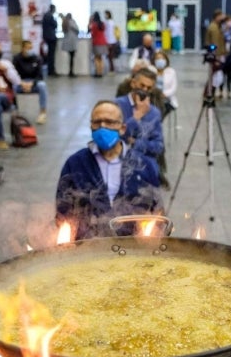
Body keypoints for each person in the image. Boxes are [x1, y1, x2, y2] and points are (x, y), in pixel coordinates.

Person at [55, 100, 160, 240]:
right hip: (88, 248)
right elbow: (63, 211)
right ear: (91, 126)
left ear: (122, 128)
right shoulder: (75, 164)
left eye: (109, 122)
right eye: (97, 122)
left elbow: (157, 212)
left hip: (133, 248)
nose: (102, 127)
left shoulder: (144, 165)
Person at [114, 68, 165, 162]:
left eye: (149, 88)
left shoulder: (154, 113)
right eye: (142, 85)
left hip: (144, 163)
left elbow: (158, 146)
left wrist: (135, 143)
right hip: (119, 161)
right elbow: (114, 137)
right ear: (133, 83)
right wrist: (136, 117)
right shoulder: (117, 105)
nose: (144, 90)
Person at [13, 40, 48, 125]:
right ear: (23, 48)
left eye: (31, 48)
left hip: (33, 82)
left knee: (42, 86)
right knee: (12, 87)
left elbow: (40, 76)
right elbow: (14, 74)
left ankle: (42, 112)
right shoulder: (16, 58)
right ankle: (14, 112)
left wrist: (32, 83)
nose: (30, 50)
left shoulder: (37, 58)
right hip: (21, 82)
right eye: (28, 48)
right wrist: (22, 83)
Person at [153, 51, 177, 117]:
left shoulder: (171, 72)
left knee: (160, 110)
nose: (160, 61)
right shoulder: (151, 70)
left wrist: (164, 94)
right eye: (157, 59)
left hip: (166, 100)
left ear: (166, 60)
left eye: (162, 59)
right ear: (154, 61)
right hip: (153, 99)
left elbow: (173, 88)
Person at [88, 12, 107, 77]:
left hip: (96, 42)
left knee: (96, 58)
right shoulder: (102, 24)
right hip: (103, 42)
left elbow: (92, 33)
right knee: (101, 58)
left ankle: (97, 73)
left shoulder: (94, 24)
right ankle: (101, 72)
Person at [61, 13, 79, 77]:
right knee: (72, 58)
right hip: (72, 42)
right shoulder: (72, 22)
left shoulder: (64, 23)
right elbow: (77, 30)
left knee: (70, 57)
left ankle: (70, 71)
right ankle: (71, 72)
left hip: (67, 42)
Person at [43, 5, 58, 77]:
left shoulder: (45, 15)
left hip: (47, 37)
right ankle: (51, 71)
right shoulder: (50, 16)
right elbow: (55, 25)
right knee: (51, 55)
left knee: (49, 55)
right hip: (51, 37)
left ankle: (50, 70)